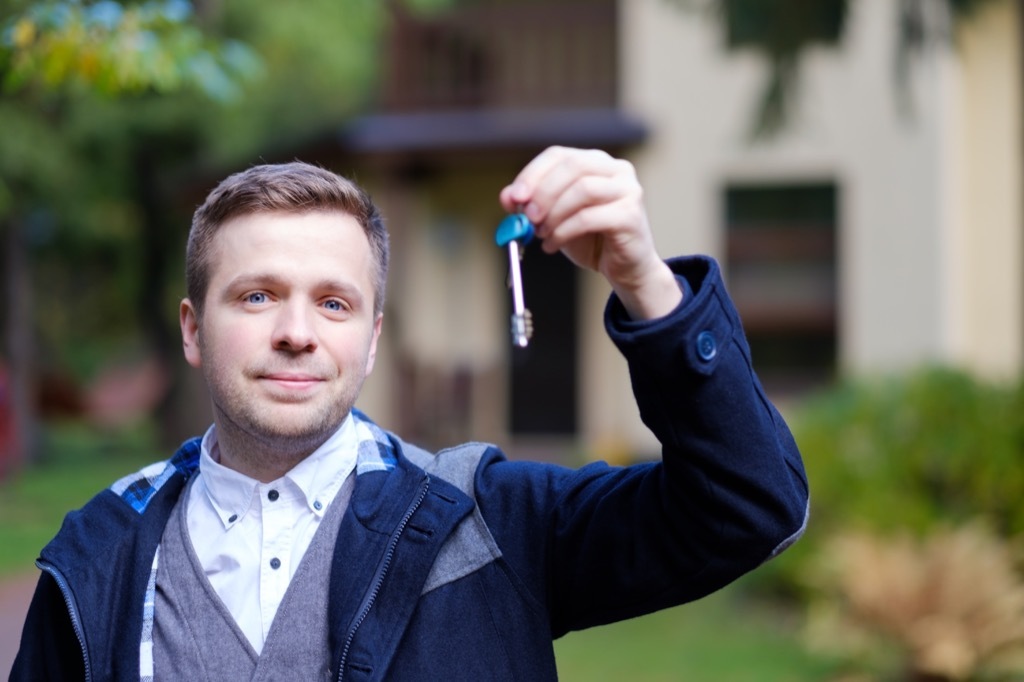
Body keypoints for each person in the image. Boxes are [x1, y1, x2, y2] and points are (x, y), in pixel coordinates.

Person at [11, 146, 808, 681]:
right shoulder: (97, 558)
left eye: (333, 302)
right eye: (257, 297)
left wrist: (647, 286)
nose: (295, 333)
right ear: (192, 329)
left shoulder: (490, 524)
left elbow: (747, 507)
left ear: (371, 339)